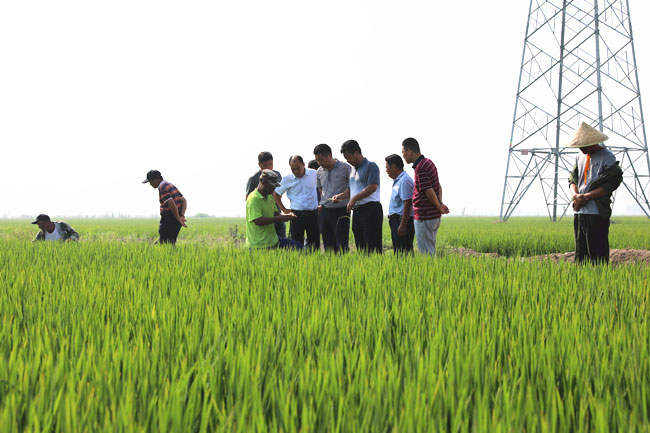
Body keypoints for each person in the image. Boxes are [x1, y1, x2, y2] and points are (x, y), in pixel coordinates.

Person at [567, 123, 623, 264]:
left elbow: (611, 184)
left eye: (583, 145)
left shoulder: (607, 157)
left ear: (592, 143)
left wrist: (585, 197)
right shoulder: (579, 156)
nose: (581, 148)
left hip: (597, 212)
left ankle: (600, 277)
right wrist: (575, 195)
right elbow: (572, 179)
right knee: (580, 255)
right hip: (580, 212)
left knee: (597, 256)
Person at [332, 140, 383, 254]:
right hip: (357, 211)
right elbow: (351, 190)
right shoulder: (353, 170)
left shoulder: (371, 166)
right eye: (345, 158)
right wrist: (340, 196)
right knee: (360, 245)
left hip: (371, 209)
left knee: (372, 246)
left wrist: (354, 199)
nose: (347, 160)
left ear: (356, 153)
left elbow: (373, 187)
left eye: (348, 157)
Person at [401, 137, 449, 255]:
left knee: (426, 254)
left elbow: (429, 191)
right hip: (432, 216)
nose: (403, 156)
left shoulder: (421, 167)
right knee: (430, 251)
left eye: (403, 153)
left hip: (425, 217)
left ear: (409, 152)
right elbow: (437, 185)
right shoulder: (428, 162)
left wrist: (439, 206)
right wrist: (440, 204)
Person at [273, 156, 320, 251]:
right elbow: (276, 194)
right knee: (296, 244)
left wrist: (322, 203)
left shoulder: (314, 174)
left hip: (313, 214)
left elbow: (322, 187)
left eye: (298, 168)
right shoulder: (287, 179)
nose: (296, 171)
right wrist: (284, 209)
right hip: (296, 216)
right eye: (293, 169)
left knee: (314, 244)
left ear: (303, 164)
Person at [247, 169, 302, 250]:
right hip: (259, 244)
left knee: (299, 247)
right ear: (263, 183)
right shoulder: (254, 199)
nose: (274, 189)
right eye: (271, 186)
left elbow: (275, 213)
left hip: (273, 240)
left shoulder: (269, 196)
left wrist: (286, 216)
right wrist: (279, 218)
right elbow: (258, 220)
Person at [313, 143, 352, 253]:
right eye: (317, 160)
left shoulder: (345, 168)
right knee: (328, 244)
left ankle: (343, 263)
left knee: (341, 244)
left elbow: (352, 188)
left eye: (321, 160)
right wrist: (323, 201)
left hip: (341, 211)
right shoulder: (319, 171)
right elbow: (320, 189)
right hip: (325, 211)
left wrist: (341, 196)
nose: (319, 163)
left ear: (329, 155)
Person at [246, 151, 286, 239]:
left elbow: (279, 193)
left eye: (270, 164)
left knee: (282, 239)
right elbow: (248, 199)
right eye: (265, 165)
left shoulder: (277, 175)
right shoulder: (253, 179)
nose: (268, 167)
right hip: (263, 217)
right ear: (259, 165)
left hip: (277, 213)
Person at [142, 170, 187, 245]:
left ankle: (154, 249)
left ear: (155, 180)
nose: (150, 184)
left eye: (150, 182)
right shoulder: (170, 185)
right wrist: (181, 215)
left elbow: (171, 202)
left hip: (169, 217)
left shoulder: (162, 187)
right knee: (170, 242)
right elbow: (183, 200)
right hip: (176, 217)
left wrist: (178, 217)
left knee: (164, 242)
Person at [385, 154, 415, 254]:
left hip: (402, 221)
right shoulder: (398, 181)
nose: (386, 171)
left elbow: (408, 203)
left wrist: (402, 225)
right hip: (396, 220)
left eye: (387, 167)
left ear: (393, 166)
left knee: (404, 252)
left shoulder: (404, 180)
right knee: (399, 252)